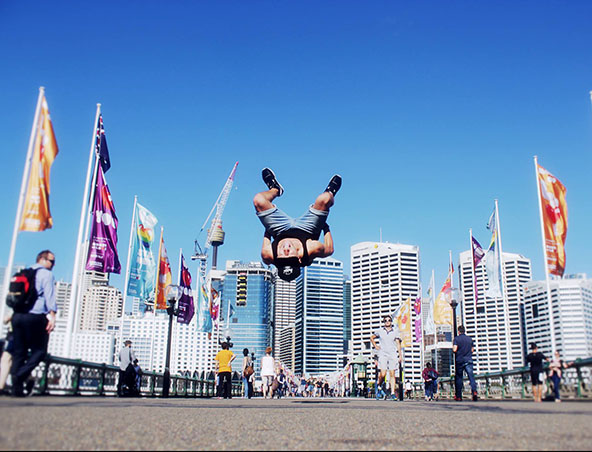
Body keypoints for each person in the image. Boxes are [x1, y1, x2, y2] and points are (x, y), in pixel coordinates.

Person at [254, 168, 342, 282]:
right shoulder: (312, 249)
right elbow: (330, 250)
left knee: (258, 200)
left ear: (276, 260)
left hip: (279, 229)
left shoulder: (267, 254)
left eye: (282, 257)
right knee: (324, 200)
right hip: (308, 229)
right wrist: (325, 226)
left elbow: (266, 233)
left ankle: (275, 189)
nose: (285, 251)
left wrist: (267, 221)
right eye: (290, 256)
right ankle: (330, 192)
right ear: (299, 259)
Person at [10, 250, 57, 397]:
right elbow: (49, 296)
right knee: (40, 351)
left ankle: (16, 388)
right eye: (51, 261)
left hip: (17, 317)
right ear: (42, 259)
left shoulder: (24, 272)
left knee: (19, 352)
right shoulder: (46, 274)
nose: (53, 265)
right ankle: (20, 376)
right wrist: (53, 316)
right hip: (35, 317)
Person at [370, 315, 402, 400]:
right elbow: (372, 337)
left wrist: (400, 355)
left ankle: (392, 393)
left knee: (392, 374)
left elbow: (398, 343)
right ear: (384, 322)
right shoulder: (380, 331)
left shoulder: (395, 332)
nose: (387, 322)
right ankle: (379, 385)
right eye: (385, 320)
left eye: (389, 320)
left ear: (391, 322)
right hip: (383, 353)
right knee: (383, 373)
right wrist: (375, 346)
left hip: (392, 353)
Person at [453, 325, 478, 401]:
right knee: (471, 377)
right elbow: (472, 350)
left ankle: (459, 396)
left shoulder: (456, 339)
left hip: (460, 360)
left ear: (458, 331)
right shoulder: (469, 339)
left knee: (459, 378)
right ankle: (474, 391)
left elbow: (454, 349)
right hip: (468, 360)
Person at [0, 316, 14, 396]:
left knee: (6, 359)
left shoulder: (18, 307)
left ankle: (1, 386)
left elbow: (5, 320)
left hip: (13, 335)